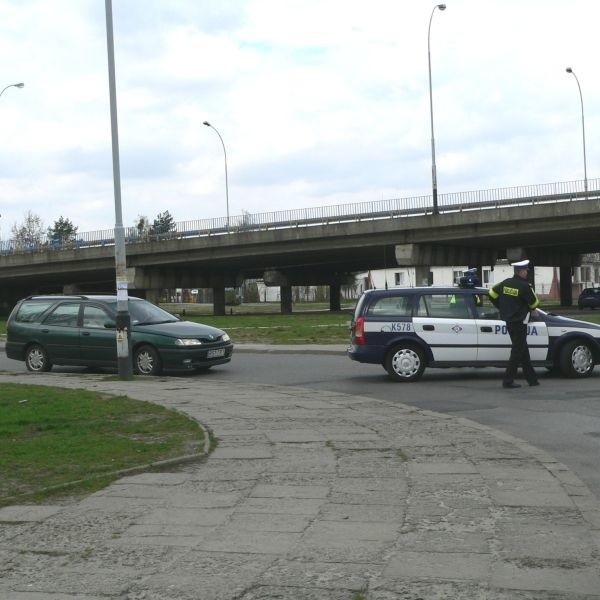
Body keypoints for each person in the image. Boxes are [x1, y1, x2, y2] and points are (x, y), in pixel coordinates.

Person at [489, 259, 540, 389]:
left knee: (523, 350)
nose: (527, 272)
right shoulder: (524, 286)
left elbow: (492, 293)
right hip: (520, 322)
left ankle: (532, 379)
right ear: (521, 271)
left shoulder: (505, 283)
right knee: (517, 351)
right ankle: (508, 381)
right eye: (526, 270)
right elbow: (534, 304)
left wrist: (501, 306)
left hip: (509, 321)